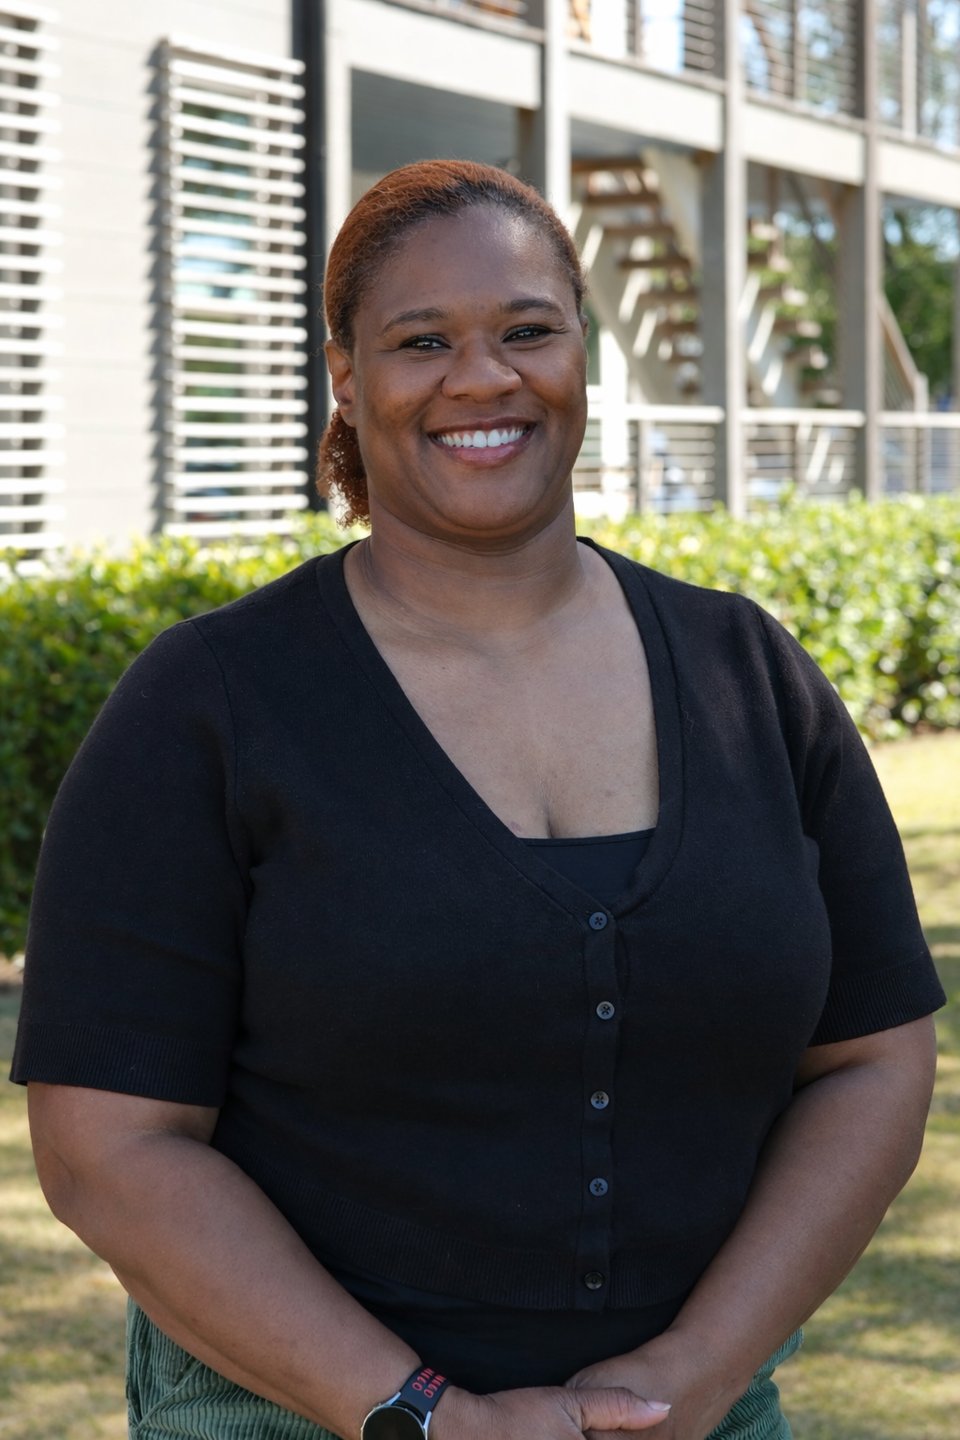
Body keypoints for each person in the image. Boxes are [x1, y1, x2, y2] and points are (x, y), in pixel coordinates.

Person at [11, 160, 945, 1440]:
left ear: (582, 352)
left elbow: (875, 1057)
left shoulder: (747, 674)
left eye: (526, 330)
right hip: (293, 1414)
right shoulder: (210, 706)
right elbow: (106, 1146)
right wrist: (421, 1413)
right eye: (421, 341)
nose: (482, 378)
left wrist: (701, 1371)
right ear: (347, 378)